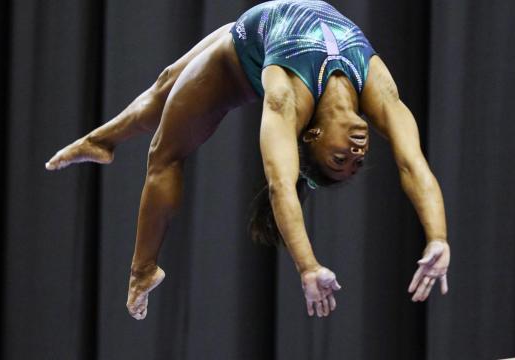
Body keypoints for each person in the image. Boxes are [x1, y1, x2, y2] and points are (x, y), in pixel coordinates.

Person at [45, 0, 450, 320]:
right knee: (164, 86)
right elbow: (413, 164)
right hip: (258, 25)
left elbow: (281, 185)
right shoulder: (377, 89)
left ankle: (142, 270)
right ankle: (102, 141)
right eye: (353, 161)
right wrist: (437, 237)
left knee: (164, 153)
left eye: (340, 158)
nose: (357, 153)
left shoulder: (286, 96)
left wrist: (308, 267)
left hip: (239, 59)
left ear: (311, 136)